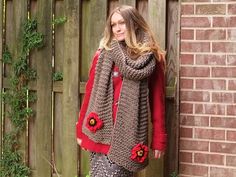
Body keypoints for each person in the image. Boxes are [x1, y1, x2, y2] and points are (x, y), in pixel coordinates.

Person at [76, 5, 167, 177]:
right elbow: (90, 94)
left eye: (122, 23)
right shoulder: (104, 54)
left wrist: (159, 140)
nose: (117, 28)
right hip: (101, 134)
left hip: (128, 136)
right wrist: (80, 130)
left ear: (134, 24)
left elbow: (157, 101)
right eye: (113, 24)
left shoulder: (151, 58)